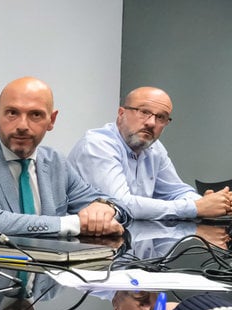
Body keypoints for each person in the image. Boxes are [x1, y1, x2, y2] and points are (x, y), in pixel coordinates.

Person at [0, 76, 127, 238]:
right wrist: (77, 223)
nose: (22, 125)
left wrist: (105, 209)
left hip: (46, 271)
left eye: (35, 115)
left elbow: (112, 204)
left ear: (51, 120)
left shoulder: (55, 161)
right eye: (12, 113)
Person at [68, 87, 232, 221]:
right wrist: (196, 207)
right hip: (88, 247)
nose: (151, 123)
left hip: (133, 242)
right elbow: (121, 205)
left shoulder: (154, 148)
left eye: (161, 117)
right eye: (144, 112)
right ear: (121, 114)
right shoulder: (97, 145)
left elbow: (175, 191)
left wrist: (209, 202)